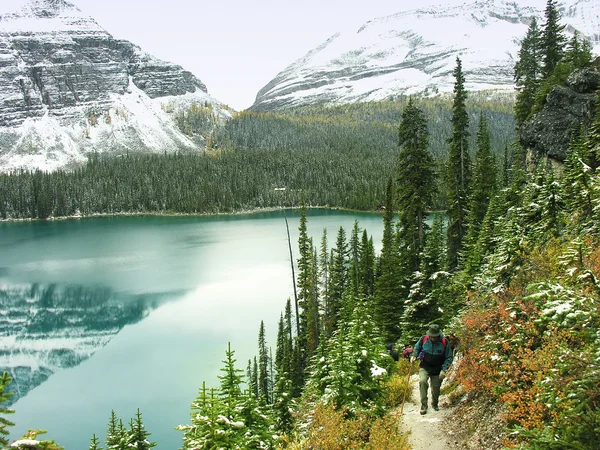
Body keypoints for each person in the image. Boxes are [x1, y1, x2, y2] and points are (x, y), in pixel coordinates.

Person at [411, 323, 453, 415]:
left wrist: (444, 370)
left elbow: (449, 357)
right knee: (422, 381)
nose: (433, 338)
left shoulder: (444, 342)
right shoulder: (424, 339)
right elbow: (417, 348)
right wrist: (414, 356)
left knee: (436, 387)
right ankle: (424, 404)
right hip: (425, 366)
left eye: (435, 337)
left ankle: (434, 403)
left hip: (438, 368)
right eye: (432, 336)